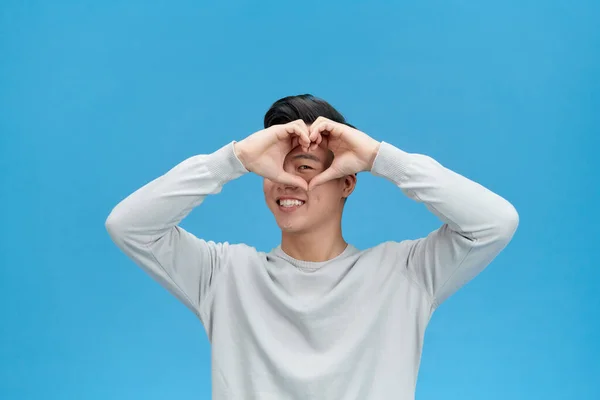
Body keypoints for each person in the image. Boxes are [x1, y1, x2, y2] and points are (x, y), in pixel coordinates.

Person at [105, 94, 519, 399]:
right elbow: (129, 225)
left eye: (304, 168)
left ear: (347, 182)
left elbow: (494, 222)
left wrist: (378, 157)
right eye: (271, 171)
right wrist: (232, 159)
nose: (286, 183)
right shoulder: (224, 274)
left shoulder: (405, 274)